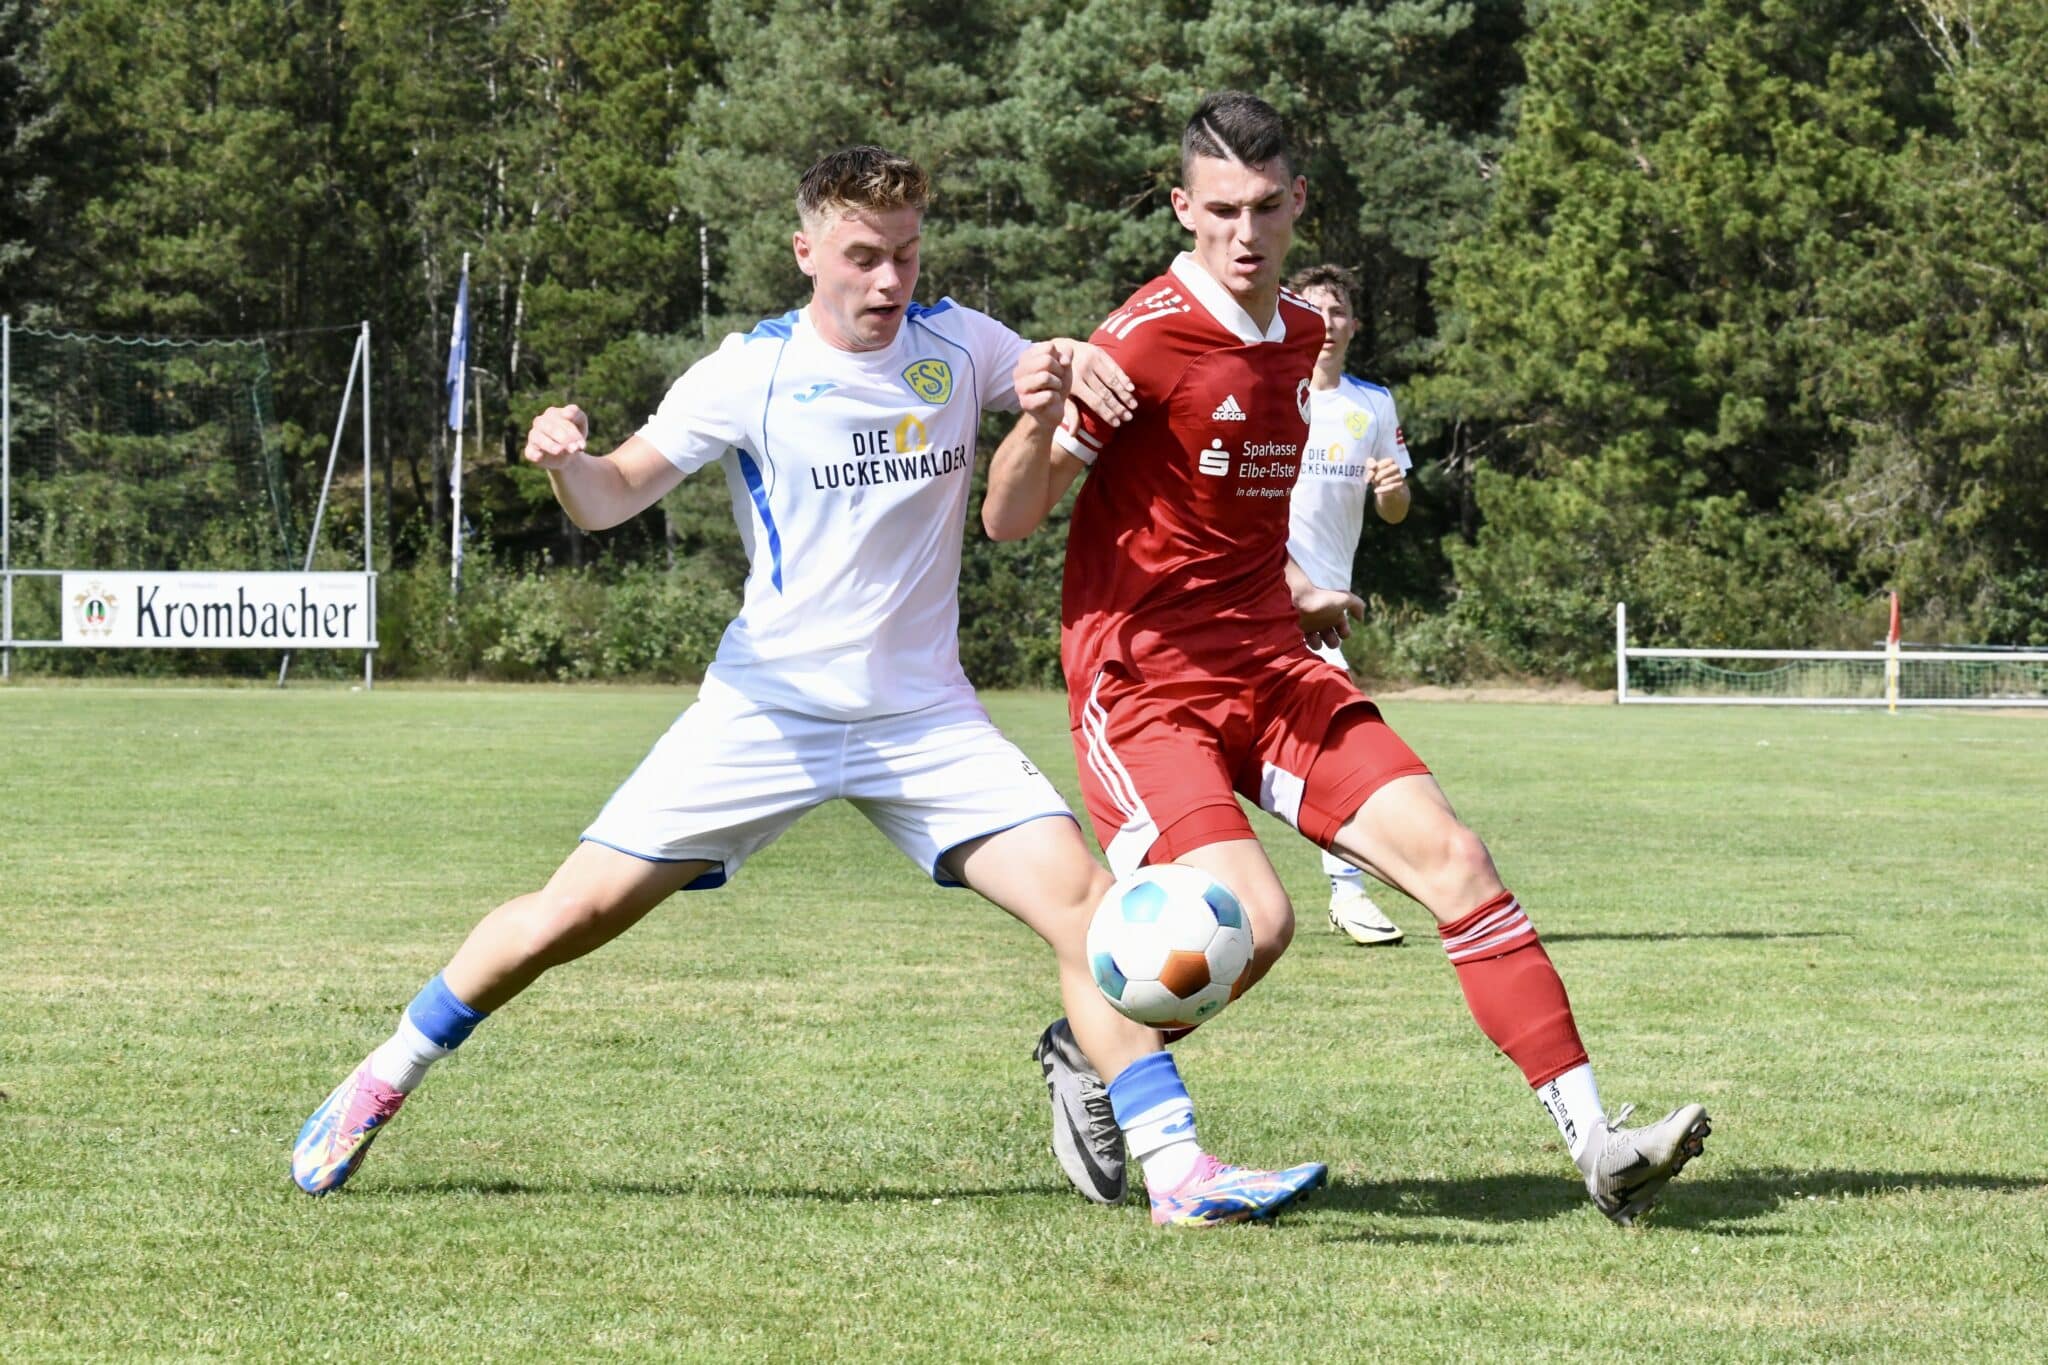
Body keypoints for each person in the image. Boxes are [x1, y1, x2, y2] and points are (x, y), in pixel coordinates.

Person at [290, 145, 1326, 1229]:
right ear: (804, 253)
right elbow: (607, 500)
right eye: (863, 258)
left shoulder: (959, 343)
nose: (890, 282)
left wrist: (1056, 368)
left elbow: (1064, 380)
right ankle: (383, 1076)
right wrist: (561, 461)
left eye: (907, 257)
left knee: (1090, 916)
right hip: (765, 716)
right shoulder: (748, 372)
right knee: (570, 916)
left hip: (924, 721)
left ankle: (1178, 1175)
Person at [984, 94, 1710, 1226]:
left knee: (1456, 862)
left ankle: (1597, 1144)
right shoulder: (1139, 337)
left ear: (1297, 204)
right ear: (1181, 208)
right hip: (1146, 691)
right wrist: (1032, 421)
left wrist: (1295, 591)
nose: (1244, 232)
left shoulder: (1304, 344)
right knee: (1255, 922)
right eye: (1219, 209)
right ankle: (1101, 1050)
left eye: (1266, 207)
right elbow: (1009, 519)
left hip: (1272, 666)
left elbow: (1224, 520)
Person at [1284, 262, 1410, 946]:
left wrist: (1390, 487)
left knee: (1332, 745)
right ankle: (1348, 889)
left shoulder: (1373, 405)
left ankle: (1348, 889)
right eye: (1313, 310)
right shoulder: (1272, 394)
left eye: (1338, 312)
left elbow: (1394, 510)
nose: (1326, 324)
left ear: (1354, 325)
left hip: (1325, 610)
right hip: (1260, 597)